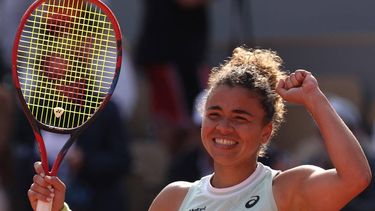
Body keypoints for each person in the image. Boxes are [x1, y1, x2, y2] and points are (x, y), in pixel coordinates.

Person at [28, 47, 372, 211]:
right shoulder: (174, 198)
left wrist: (313, 98)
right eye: (215, 113)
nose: (224, 126)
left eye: (240, 117)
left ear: (266, 132)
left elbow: (355, 178)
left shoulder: (288, 190)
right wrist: (58, 209)